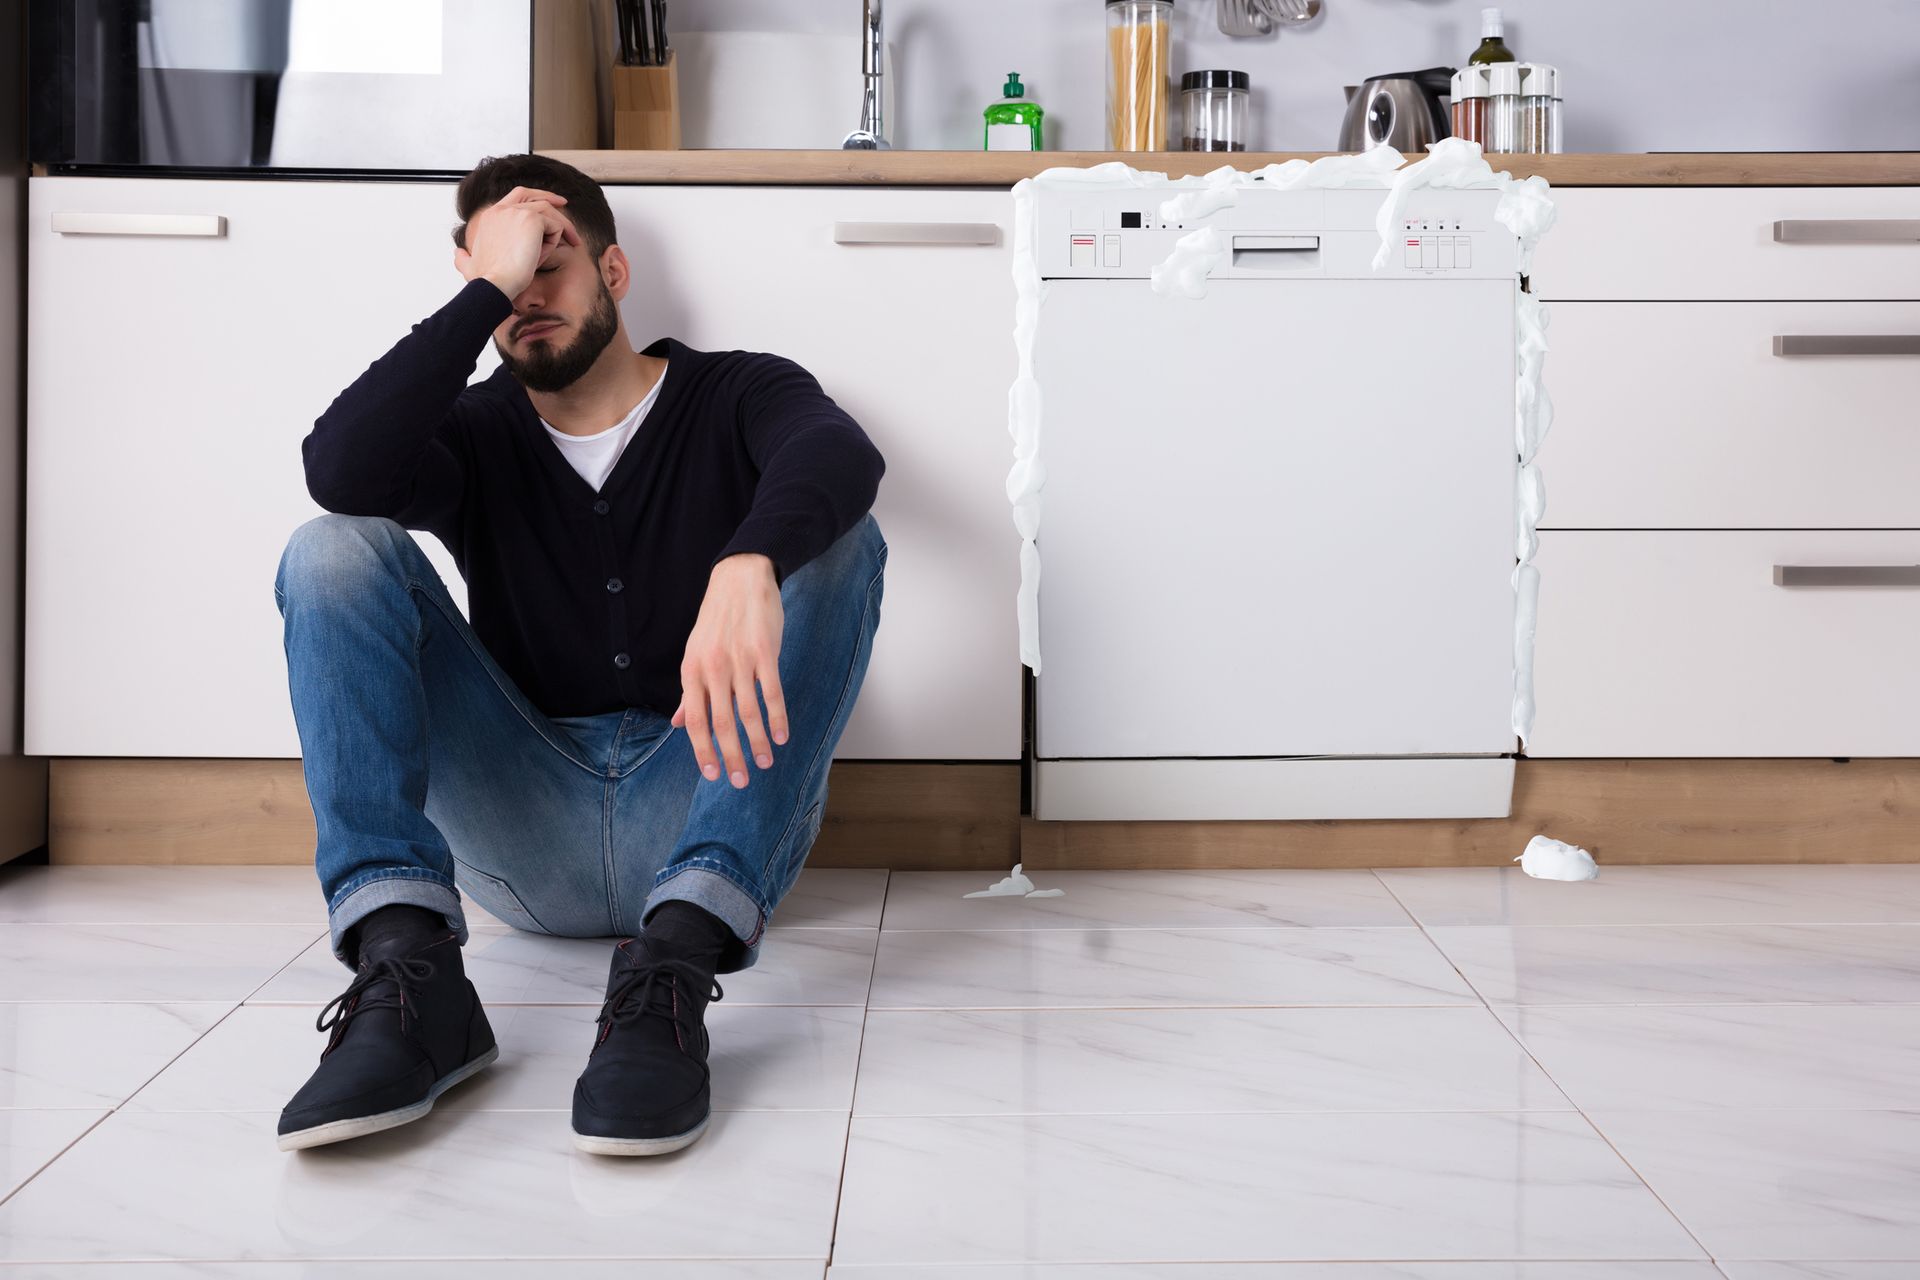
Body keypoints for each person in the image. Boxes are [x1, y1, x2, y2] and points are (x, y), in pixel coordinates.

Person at [271, 153, 887, 1157]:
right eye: (503, 278)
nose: (525, 298)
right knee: (331, 547)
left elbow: (841, 456)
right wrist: (483, 287)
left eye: (547, 264)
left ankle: (673, 973)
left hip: (703, 800)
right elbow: (340, 470)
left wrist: (750, 558)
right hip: (525, 827)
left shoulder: (735, 391)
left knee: (839, 537)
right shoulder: (471, 433)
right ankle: (410, 975)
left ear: (615, 272)